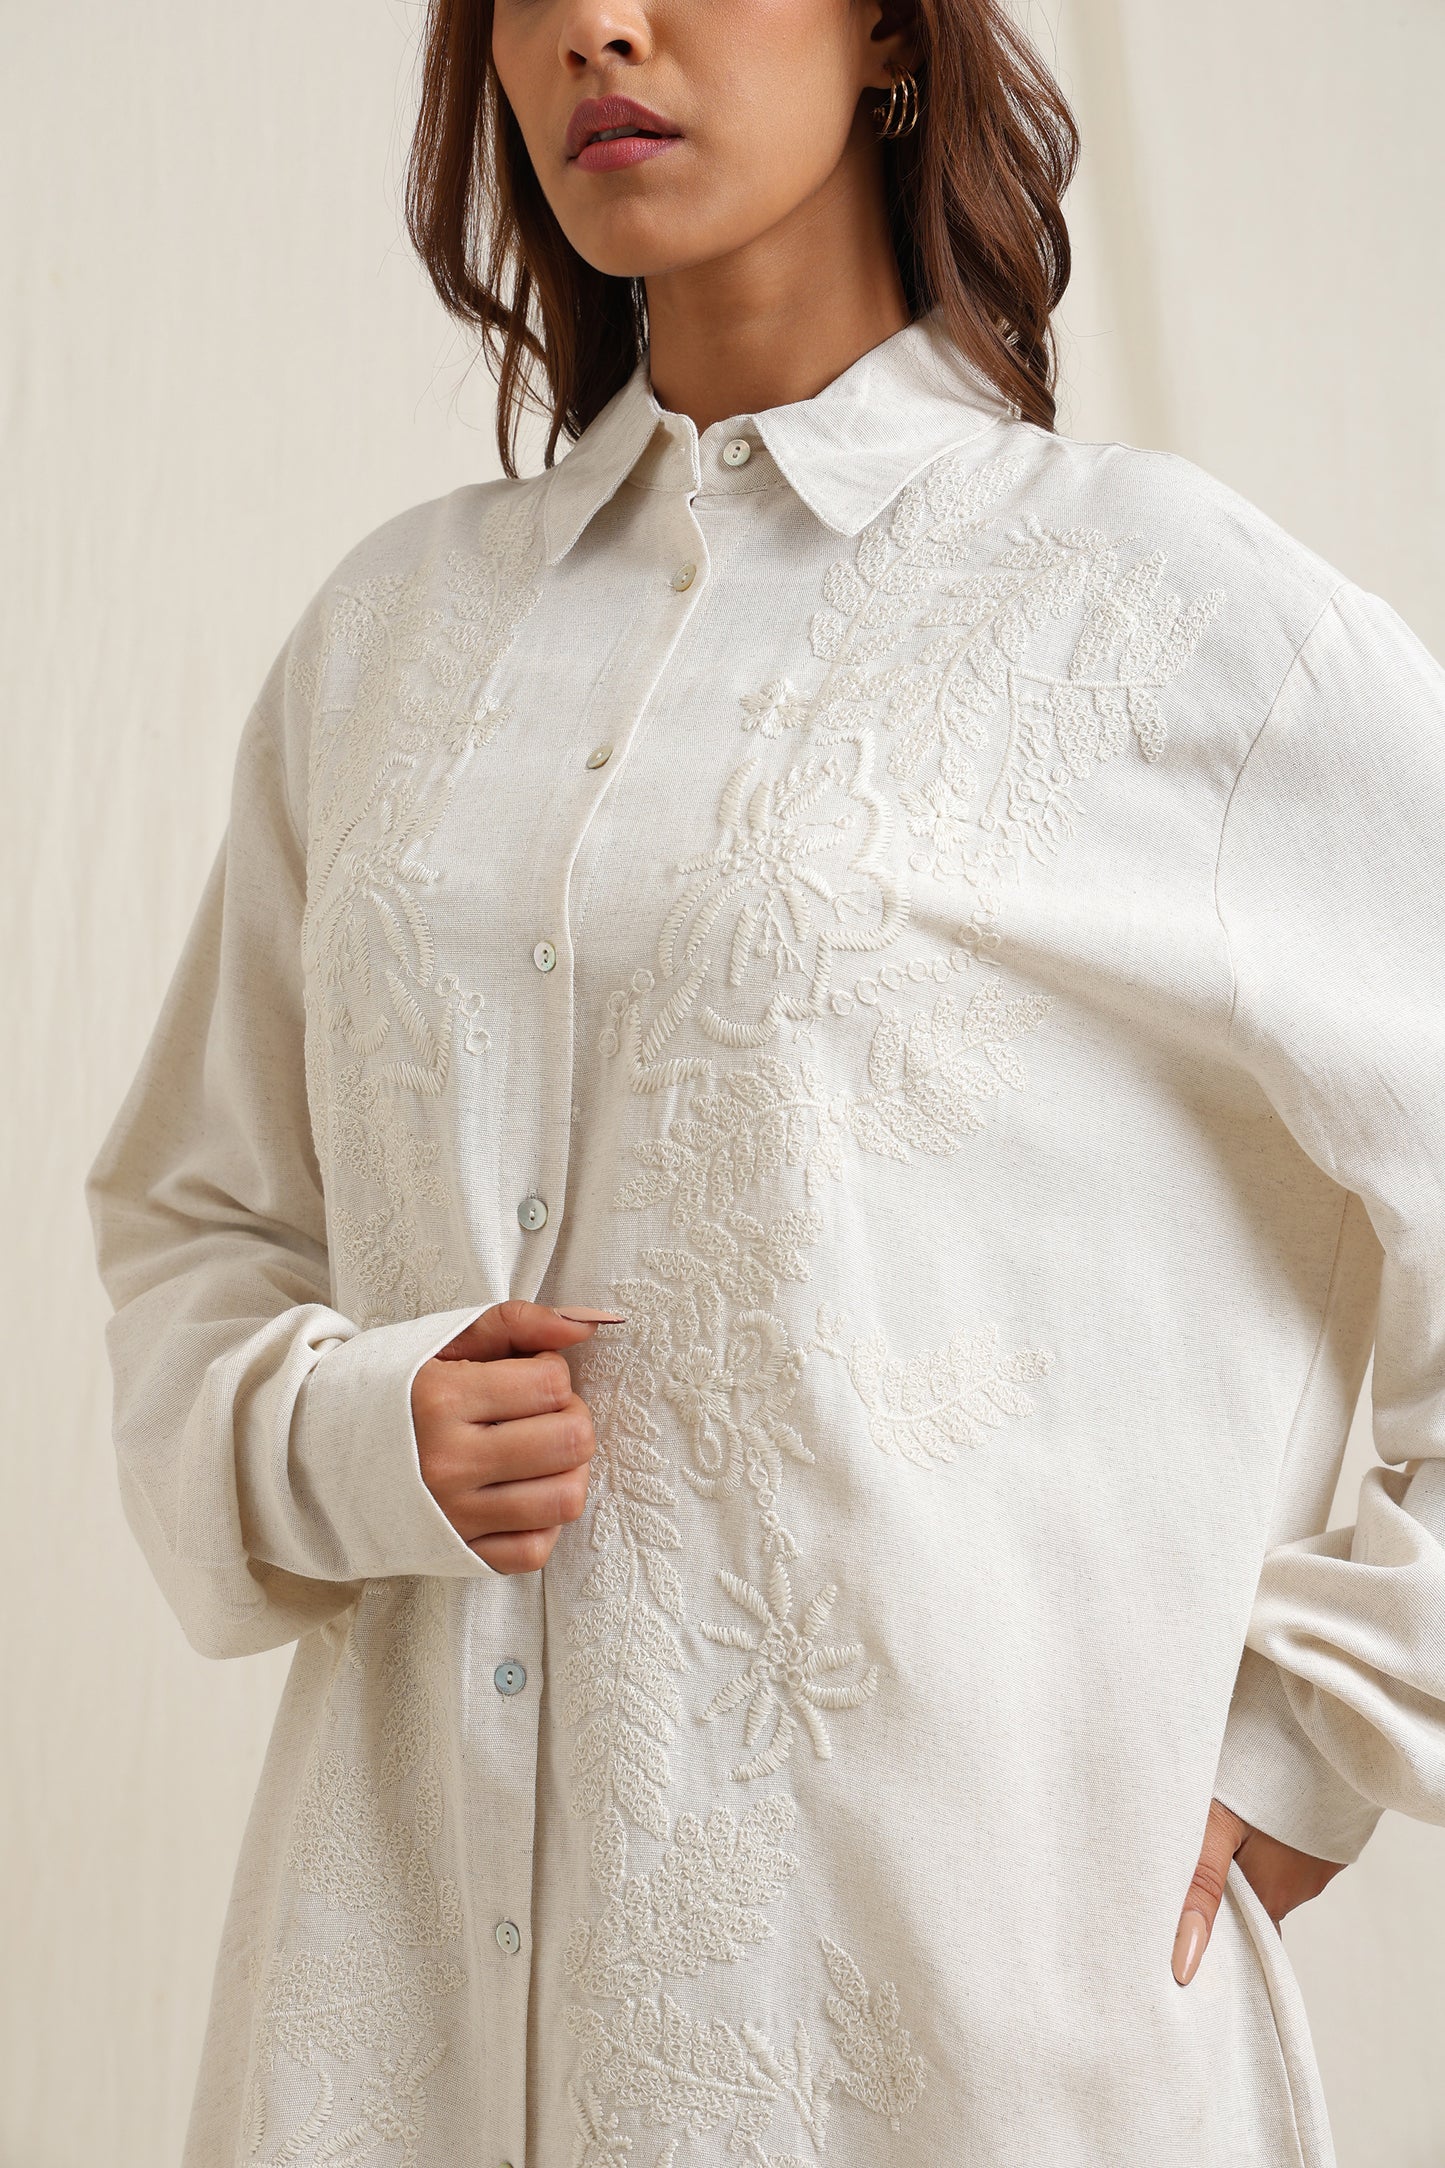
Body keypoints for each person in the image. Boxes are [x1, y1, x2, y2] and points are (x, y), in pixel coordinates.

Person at [84, 1, 1445, 2162]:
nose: (597, 30)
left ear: (888, 30)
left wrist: (1323, 1740)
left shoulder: (1176, 618)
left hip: (958, 2042)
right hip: (401, 2046)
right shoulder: (390, 640)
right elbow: (196, 1221)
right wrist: (347, 1436)